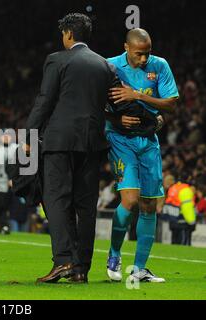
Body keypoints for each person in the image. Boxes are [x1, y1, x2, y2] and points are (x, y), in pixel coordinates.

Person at [26, 13, 115, 284]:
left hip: (60, 141)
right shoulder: (105, 65)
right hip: (92, 143)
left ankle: (63, 260)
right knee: (86, 206)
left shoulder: (57, 60)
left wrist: (30, 133)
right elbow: (116, 103)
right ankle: (81, 268)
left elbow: (45, 100)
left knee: (55, 199)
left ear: (68, 34)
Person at [105, 28, 179, 282]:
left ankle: (139, 269)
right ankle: (114, 253)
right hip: (120, 139)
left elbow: (171, 101)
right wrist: (115, 117)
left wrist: (136, 95)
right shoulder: (110, 67)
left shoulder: (159, 66)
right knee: (130, 200)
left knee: (150, 204)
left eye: (147, 53)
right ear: (126, 47)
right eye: (139, 54)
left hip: (148, 140)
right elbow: (94, 102)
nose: (144, 59)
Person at [162, 175, 197, 245]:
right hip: (182, 222)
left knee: (174, 244)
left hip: (173, 221)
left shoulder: (172, 188)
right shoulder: (185, 190)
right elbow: (187, 207)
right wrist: (192, 222)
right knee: (184, 245)